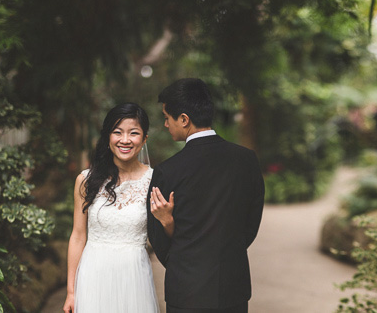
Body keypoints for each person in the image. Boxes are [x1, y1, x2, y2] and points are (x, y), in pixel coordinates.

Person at [148, 78, 264, 313]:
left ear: (184, 119)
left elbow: (156, 233)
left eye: (167, 117)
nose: (165, 124)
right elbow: (252, 222)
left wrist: (182, 264)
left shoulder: (167, 171)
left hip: (186, 288)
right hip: (232, 285)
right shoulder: (246, 160)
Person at [63, 103, 160, 313]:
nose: (125, 140)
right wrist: (71, 292)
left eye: (133, 133)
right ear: (108, 137)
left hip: (134, 277)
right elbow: (78, 236)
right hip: (94, 274)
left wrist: (167, 218)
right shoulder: (85, 180)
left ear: (144, 140)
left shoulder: (155, 180)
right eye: (118, 132)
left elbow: (165, 236)